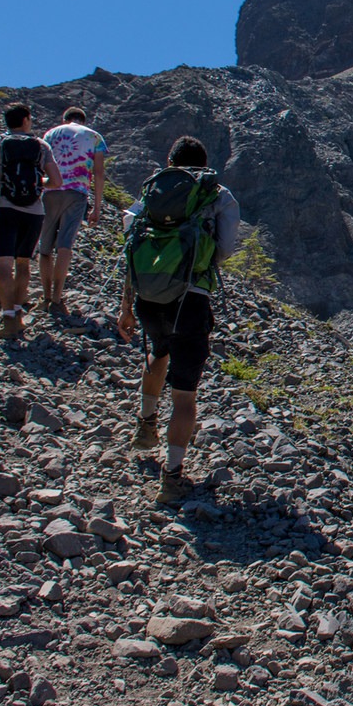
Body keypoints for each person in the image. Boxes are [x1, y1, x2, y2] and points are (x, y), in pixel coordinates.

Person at [115, 135, 239, 504]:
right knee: (185, 393)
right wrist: (198, 262)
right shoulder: (217, 194)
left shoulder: (153, 193)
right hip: (191, 298)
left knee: (158, 352)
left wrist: (126, 307)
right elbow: (227, 248)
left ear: (170, 160)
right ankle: (172, 476)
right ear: (205, 162)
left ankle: (146, 423)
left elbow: (130, 240)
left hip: (149, 298)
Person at [0, 102, 62, 340]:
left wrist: (0, 178)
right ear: (25, 120)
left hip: (4, 208)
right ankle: (20, 317)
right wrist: (35, 183)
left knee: (4, 265)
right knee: (23, 264)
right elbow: (56, 181)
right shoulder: (41, 146)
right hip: (34, 211)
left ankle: (8, 319)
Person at [37, 106, 108, 315]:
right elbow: (99, 173)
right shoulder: (94, 137)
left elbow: (42, 164)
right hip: (77, 193)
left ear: (65, 118)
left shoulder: (50, 134)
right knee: (65, 245)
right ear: (83, 120)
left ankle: (46, 295)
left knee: (45, 247)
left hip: (50, 190)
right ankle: (58, 298)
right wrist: (96, 207)